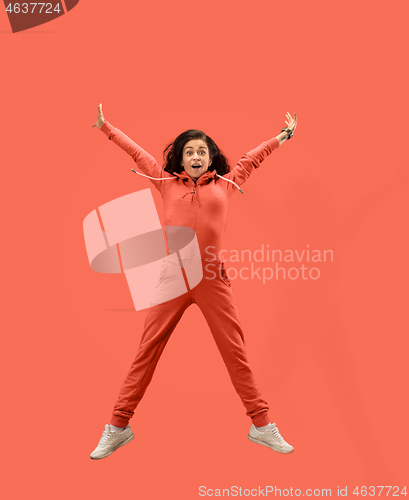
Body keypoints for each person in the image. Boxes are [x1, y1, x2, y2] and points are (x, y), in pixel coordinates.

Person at [89, 104, 298, 459]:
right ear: (181, 161)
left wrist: (282, 136)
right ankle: (117, 427)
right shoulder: (165, 182)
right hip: (172, 277)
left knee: (236, 353)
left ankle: (262, 426)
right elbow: (138, 152)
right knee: (146, 352)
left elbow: (253, 157)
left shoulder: (228, 182)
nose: (196, 156)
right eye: (190, 152)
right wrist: (106, 127)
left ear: (210, 156)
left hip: (212, 280)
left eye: (202, 151)